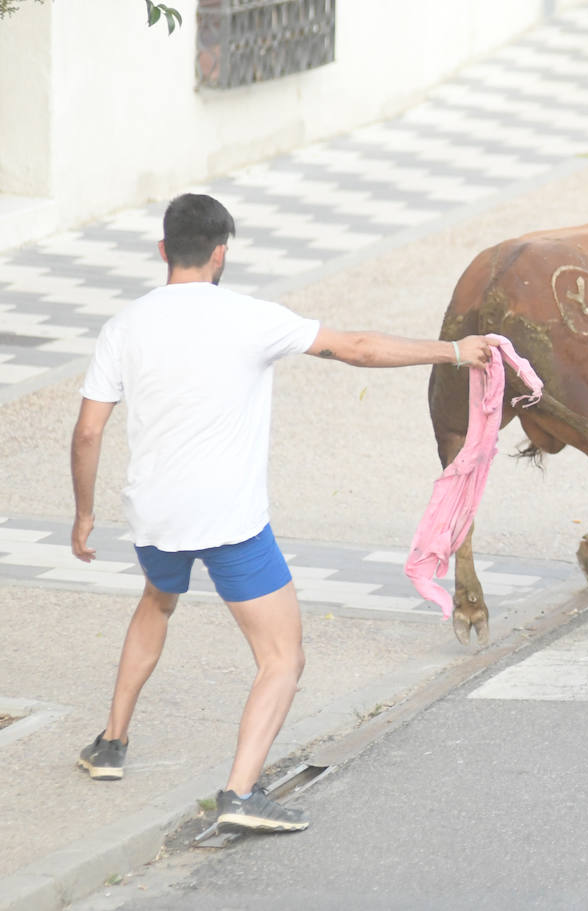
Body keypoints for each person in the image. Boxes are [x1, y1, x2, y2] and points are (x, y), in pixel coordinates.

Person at [70, 193, 493, 832]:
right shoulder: (250, 318)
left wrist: (82, 517)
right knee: (282, 657)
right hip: (229, 520)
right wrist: (455, 352)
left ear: (163, 251)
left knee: (158, 599)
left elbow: (87, 433)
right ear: (221, 254)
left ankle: (110, 744)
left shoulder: (123, 327)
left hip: (153, 515)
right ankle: (240, 794)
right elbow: (357, 347)